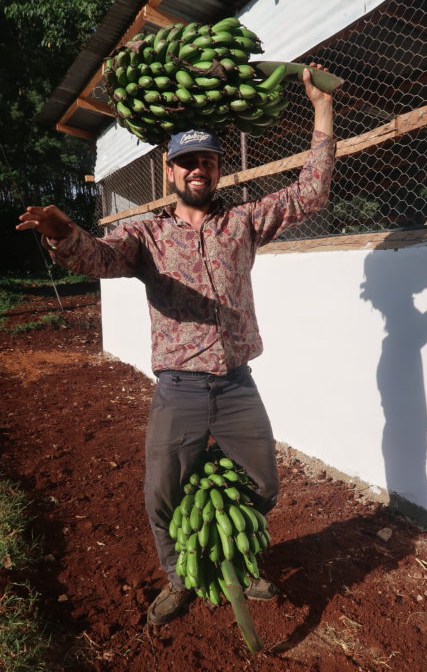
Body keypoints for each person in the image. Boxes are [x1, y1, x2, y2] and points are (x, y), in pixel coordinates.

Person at [17, 65, 334, 626]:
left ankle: (243, 556)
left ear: (217, 168)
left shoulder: (241, 222)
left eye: (206, 161)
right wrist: (61, 232)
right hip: (179, 388)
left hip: (237, 384)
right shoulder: (148, 235)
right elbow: (99, 257)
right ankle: (181, 576)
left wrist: (321, 109)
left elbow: (309, 194)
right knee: (161, 493)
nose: (196, 169)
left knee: (264, 481)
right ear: (169, 172)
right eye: (186, 161)